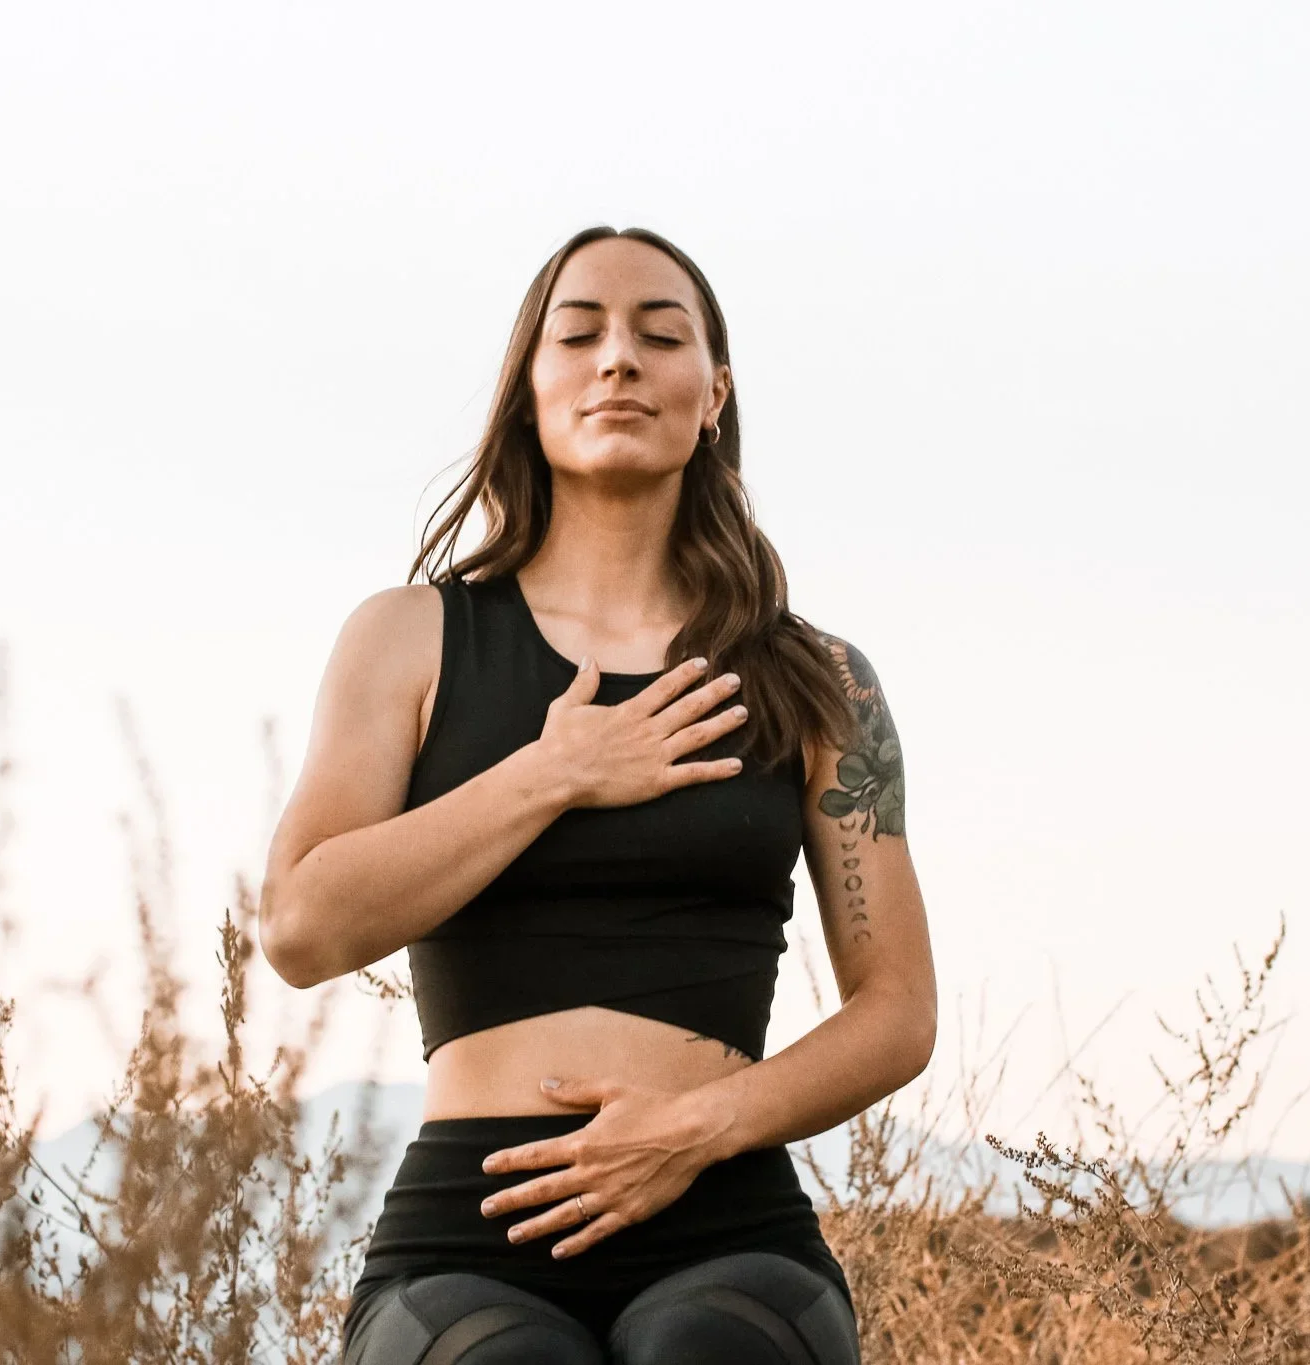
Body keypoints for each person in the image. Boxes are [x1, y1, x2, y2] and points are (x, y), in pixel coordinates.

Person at [258, 225, 936, 1364]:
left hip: (727, 1221)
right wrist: (554, 772)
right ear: (528, 390)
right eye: (577, 335)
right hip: (465, 1234)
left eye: (659, 335)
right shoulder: (409, 640)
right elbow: (300, 927)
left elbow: (897, 1009)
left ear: (711, 392)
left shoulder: (820, 682)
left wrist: (690, 1131)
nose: (616, 359)